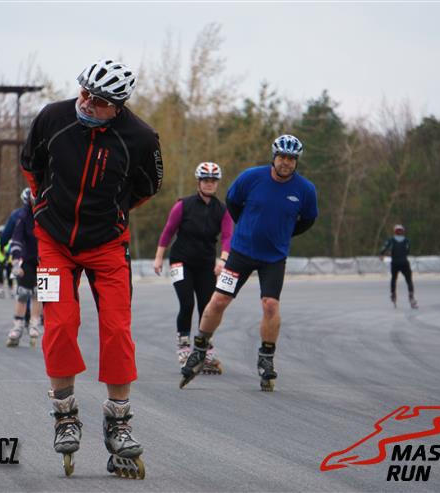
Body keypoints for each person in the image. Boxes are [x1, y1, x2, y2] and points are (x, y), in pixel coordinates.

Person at [20, 58, 162, 478]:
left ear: (117, 107)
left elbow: (147, 187)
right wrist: (43, 207)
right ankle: (65, 414)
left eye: (98, 100)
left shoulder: (141, 138)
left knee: (117, 328)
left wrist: (113, 212)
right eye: (84, 91)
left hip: (107, 245)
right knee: (59, 323)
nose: (86, 101)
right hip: (53, 241)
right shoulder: (53, 118)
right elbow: (31, 165)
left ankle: (119, 422)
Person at [179, 134, 318, 392]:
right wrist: (247, 228)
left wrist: (283, 234)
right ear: (274, 157)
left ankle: (266, 358)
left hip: (274, 257)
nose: (286, 162)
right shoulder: (251, 177)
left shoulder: (305, 190)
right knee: (219, 300)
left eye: (291, 159)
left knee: (270, 305)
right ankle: (199, 349)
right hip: (241, 253)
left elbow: (308, 220)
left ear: (296, 161)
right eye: (282, 157)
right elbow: (233, 204)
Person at [153, 162, 233, 372]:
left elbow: (227, 237)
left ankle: (204, 347)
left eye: (213, 181)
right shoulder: (183, 205)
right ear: (199, 182)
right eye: (205, 180)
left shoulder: (222, 210)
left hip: (206, 264)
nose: (209, 184)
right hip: (181, 261)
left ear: (217, 183)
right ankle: (183, 346)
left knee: (207, 307)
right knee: (187, 303)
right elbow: (168, 231)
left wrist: (223, 260)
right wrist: (159, 257)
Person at [5, 187, 42, 347]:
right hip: (27, 259)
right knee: (23, 292)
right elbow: (17, 239)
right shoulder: (23, 216)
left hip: (46, 258)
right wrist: (15, 261)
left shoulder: (49, 213)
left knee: (40, 293)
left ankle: (34, 322)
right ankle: (18, 325)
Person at [380, 224, 418, 309]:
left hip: (395, 263)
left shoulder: (391, 240)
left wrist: (382, 254)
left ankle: (393, 294)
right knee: (409, 280)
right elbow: (408, 251)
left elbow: (384, 247)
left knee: (394, 279)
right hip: (404, 262)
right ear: (403, 232)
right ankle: (411, 296)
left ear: (394, 232)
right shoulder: (407, 240)